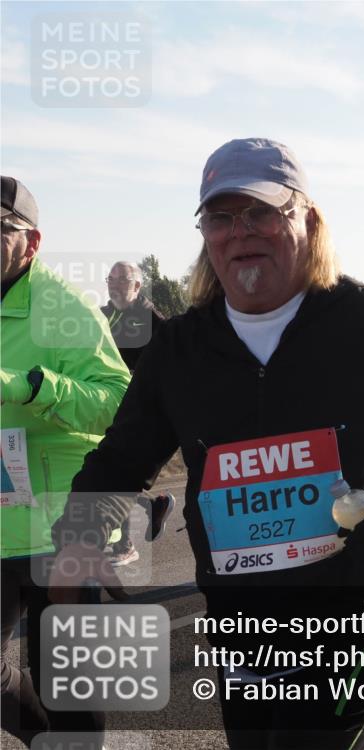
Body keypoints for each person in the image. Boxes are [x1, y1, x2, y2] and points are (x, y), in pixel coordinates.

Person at [47, 139, 364, 750]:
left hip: (349, 621)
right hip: (240, 629)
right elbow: (123, 456)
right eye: (221, 217)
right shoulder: (181, 349)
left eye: (262, 212)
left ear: (307, 220)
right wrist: (80, 529)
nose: (241, 233)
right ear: (205, 233)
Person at [1, 175, 131, 747]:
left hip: (60, 525)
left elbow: (118, 403)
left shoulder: (63, 307)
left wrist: (32, 387)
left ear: (31, 243)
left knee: (73, 687)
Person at [100, 261, 173, 567]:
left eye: (122, 280)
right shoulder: (105, 315)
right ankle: (153, 504)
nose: (114, 285)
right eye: (110, 279)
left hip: (143, 411)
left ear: (138, 286)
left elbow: (166, 367)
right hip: (111, 403)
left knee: (117, 470)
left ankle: (123, 546)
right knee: (106, 469)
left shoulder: (153, 320)